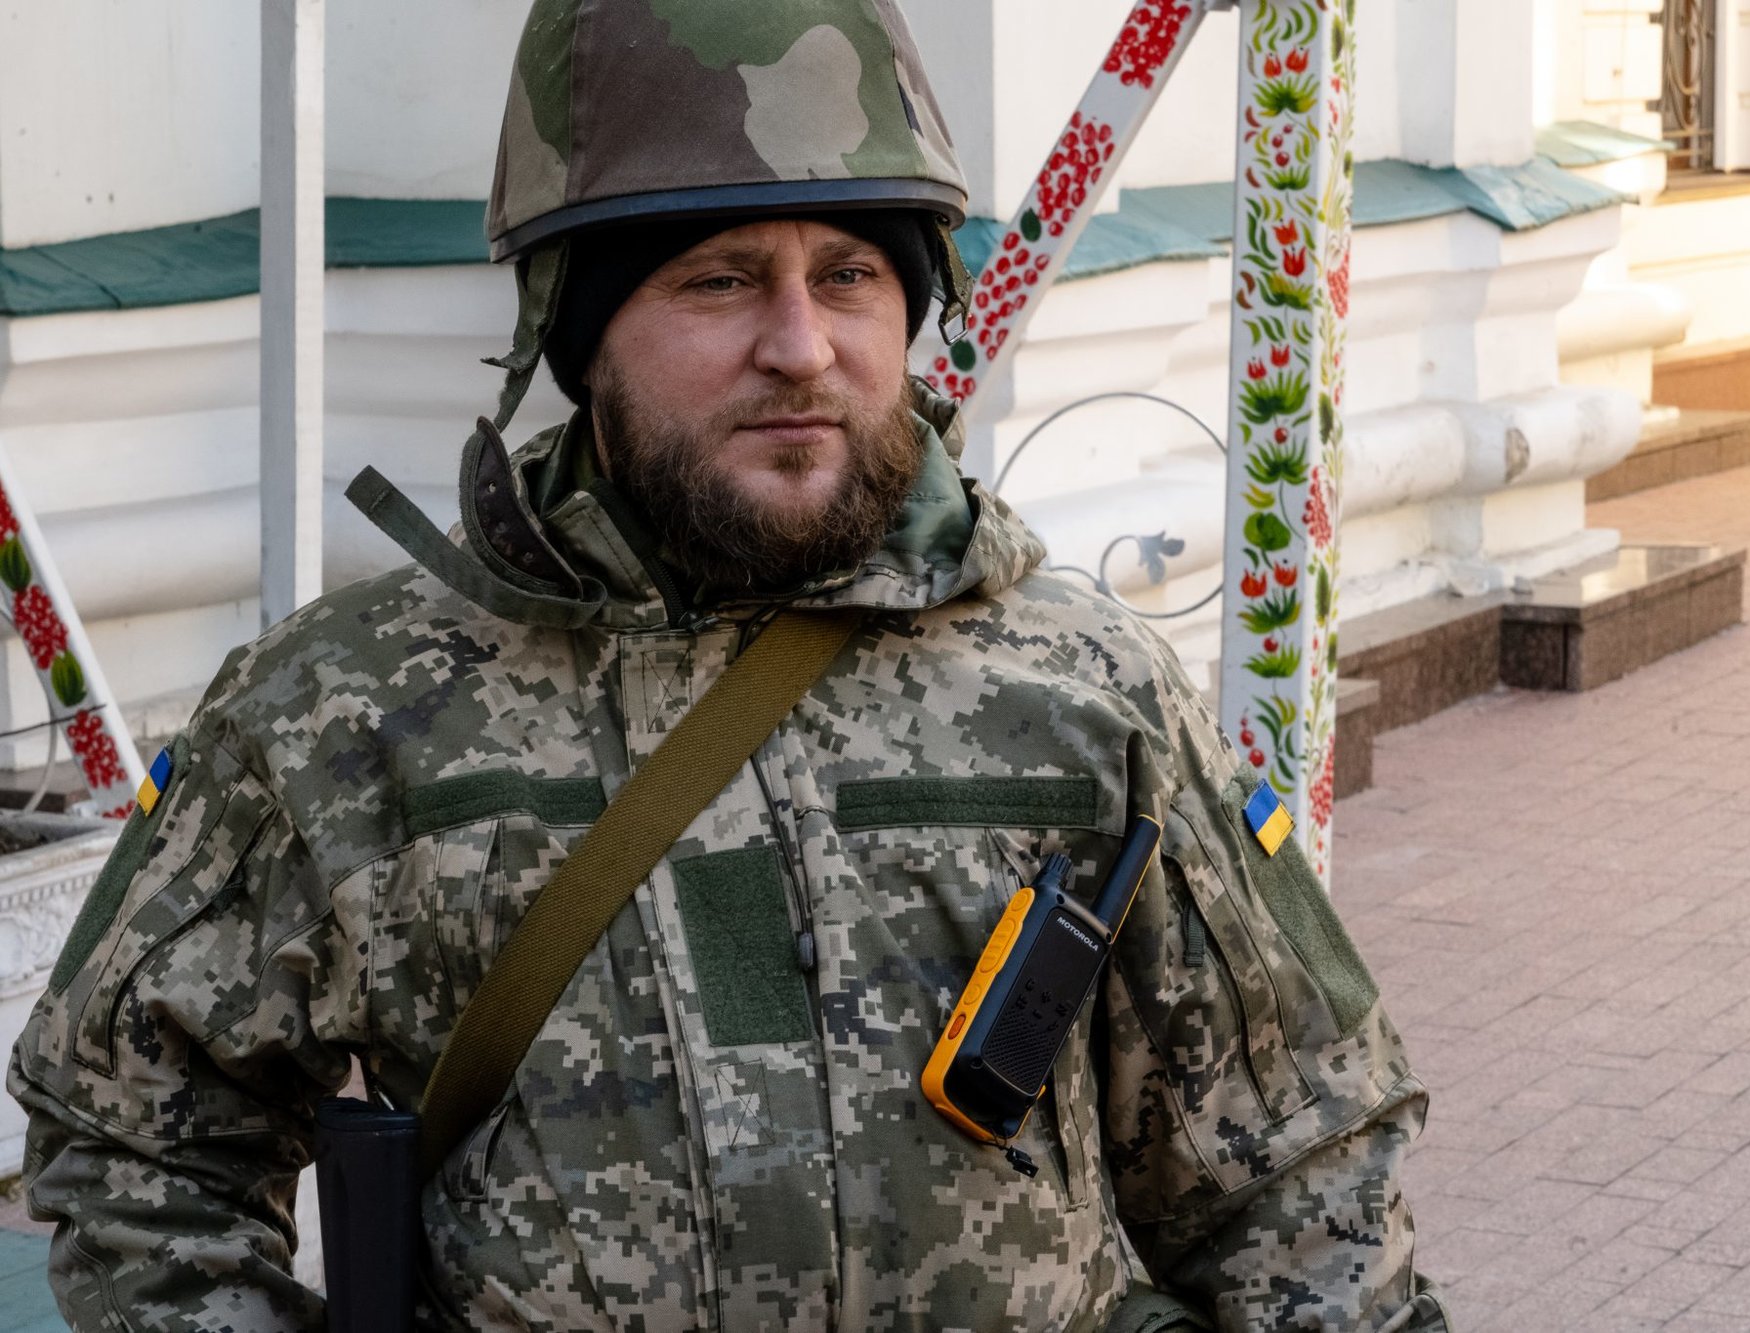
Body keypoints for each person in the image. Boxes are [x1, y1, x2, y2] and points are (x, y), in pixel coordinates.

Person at [8, 2, 1449, 1329]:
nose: (802, 345)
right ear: (576, 332)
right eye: (718, 278)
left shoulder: (1084, 693)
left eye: (852, 273)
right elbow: (135, 1145)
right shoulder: (346, 714)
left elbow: (1299, 1178)